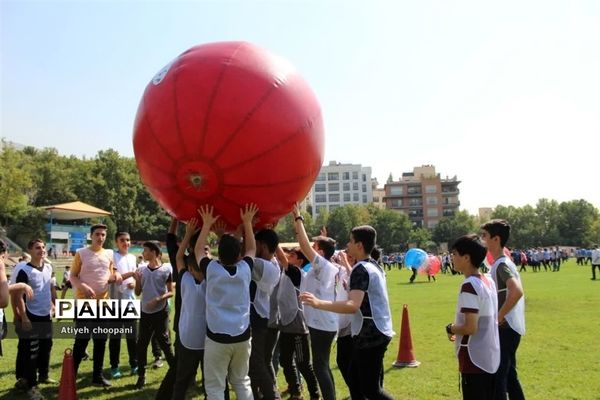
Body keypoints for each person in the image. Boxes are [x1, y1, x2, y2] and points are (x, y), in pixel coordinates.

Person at [300, 225, 394, 400]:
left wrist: (319, 303)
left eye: (350, 241)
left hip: (371, 335)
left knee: (371, 390)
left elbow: (352, 305)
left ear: (359, 245)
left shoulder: (361, 269)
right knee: (354, 378)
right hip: (376, 331)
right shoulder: (373, 265)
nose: (347, 245)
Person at [194, 204, 258, 400]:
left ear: (218, 253)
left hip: (217, 338)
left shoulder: (212, 270)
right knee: (241, 381)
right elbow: (252, 249)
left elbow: (198, 249)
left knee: (215, 387)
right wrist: (247, 223)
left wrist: (206, 225)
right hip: (242, 336)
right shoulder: (245, 269)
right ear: (239, 255)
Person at [292, 204, 338, 400]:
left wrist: (298, 218)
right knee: (323, 365)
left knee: (320, 365)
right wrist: (324, 237)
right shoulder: (324, 266)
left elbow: (303, 246)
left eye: (315, 247)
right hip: (322, 322)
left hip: (322, 324)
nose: (311, 248)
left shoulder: (323, 266)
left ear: (320, 252)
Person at [446, 234, 500, 400]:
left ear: (467, 258)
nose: (451, 258)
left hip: (473, 358)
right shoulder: (488, 280)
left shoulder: (470, 285)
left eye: (454, 254)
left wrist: (450, 328)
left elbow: (471, 328)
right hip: (489, 356)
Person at [70, 223, 122, 387]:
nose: (100, 237)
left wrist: (117, 274)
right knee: (82, 341)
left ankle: (97, 376)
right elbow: (72, 276)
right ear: (91, 236)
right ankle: (70, 376)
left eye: (103, 235)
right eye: (97, 234)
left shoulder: (109, 253)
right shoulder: (81, 253)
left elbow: (112, 271)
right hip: (85, 304)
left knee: (101, 341)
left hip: (103, 304)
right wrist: (83, 287)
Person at [481, 219, 526, 400]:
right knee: (509, 377)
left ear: (496, 239)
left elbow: (516, 291)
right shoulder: (500, 263)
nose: (482, 240)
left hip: (506, 329)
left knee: (499, 379)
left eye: (485, 236)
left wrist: (498, 317)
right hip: (509, 328)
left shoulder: (502, 265)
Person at [10, 239, 56, 400]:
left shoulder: (49, 267)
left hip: (45, 315)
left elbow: (49, 288)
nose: (42, 250)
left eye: (43, 247)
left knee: (47, 346)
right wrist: (23, 317)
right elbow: (18, 296)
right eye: (37, 248)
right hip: (31, 316)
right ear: (30, 250)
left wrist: (53, 305)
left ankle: (43, 374)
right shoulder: (25, 270)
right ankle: (30, 384)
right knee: (31, 351)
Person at [274, 247, 321, 400]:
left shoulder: (296, 272)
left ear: (299, 261)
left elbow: (281, 256)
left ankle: (315, 394)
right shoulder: (289, 272)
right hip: (286, 324)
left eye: (292, 255)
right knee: (285, 360)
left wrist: (272, 238)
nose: (289, 257)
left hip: (297, 327)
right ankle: (295, 391)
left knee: (303, 364)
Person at [171, 218, 209, 400]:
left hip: (187, 339)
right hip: (208, 340)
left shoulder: (185, 281)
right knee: (213, 382)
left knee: (181, 381)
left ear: (191, 269)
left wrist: (187, 234)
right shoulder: (212, 284)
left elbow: (179, 257)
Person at [134, 240, 175, 389]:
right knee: (141, 344)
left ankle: (174, 373)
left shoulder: (166, 270)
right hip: (145, 312)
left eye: (145, 250)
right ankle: (141, 376)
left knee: (164, 342)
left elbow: (171, 292)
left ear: (154, 252)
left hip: (160, 312)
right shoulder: (142, 269)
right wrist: (138, 281)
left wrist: (158, 298)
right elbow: (138, 292)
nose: (143, 253)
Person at [249, 229, 281, 400]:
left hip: (256, 320)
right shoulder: (273, 264)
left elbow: (241, 258)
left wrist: (245, 226)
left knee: (257, 363)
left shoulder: (263, 266)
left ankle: (273, 397)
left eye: (256, 243)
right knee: (252, 364)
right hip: (259, 319)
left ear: (262, 246)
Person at [108, 232, 138, 378]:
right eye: (122, 240)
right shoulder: (112, 256)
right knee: (115, 337)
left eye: (127, 240)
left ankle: (134, 364)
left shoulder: (132, 258)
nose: (125, 242)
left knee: (132, 337)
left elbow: (135, 277)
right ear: (116, 242)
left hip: (130, 302)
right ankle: (114, 367)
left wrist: (135, 282)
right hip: (114, 303)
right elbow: (113, 278)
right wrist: (130, 275)